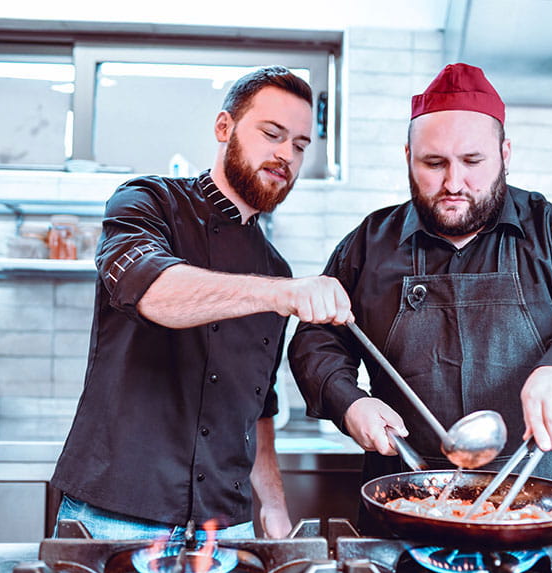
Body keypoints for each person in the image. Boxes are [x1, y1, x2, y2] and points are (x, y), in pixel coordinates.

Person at [287, 63, 552, 531]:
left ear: (505, 153)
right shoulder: (370, 243)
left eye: (472, 162)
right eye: (434, 163)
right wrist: (347, 401)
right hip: (408, 503)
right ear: (407, 157)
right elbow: (318, 339)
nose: (454, 183)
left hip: (543, 505)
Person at [51, 66, 352, 541]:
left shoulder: (275, 268)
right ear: (224, 127)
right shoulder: (147, 202)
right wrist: (282, 294)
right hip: (116, 517)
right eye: (271, 134)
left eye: (298, 145)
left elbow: (258, 407)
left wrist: (273, 508)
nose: (285, 155)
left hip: (223, 528)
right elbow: (152, 293)